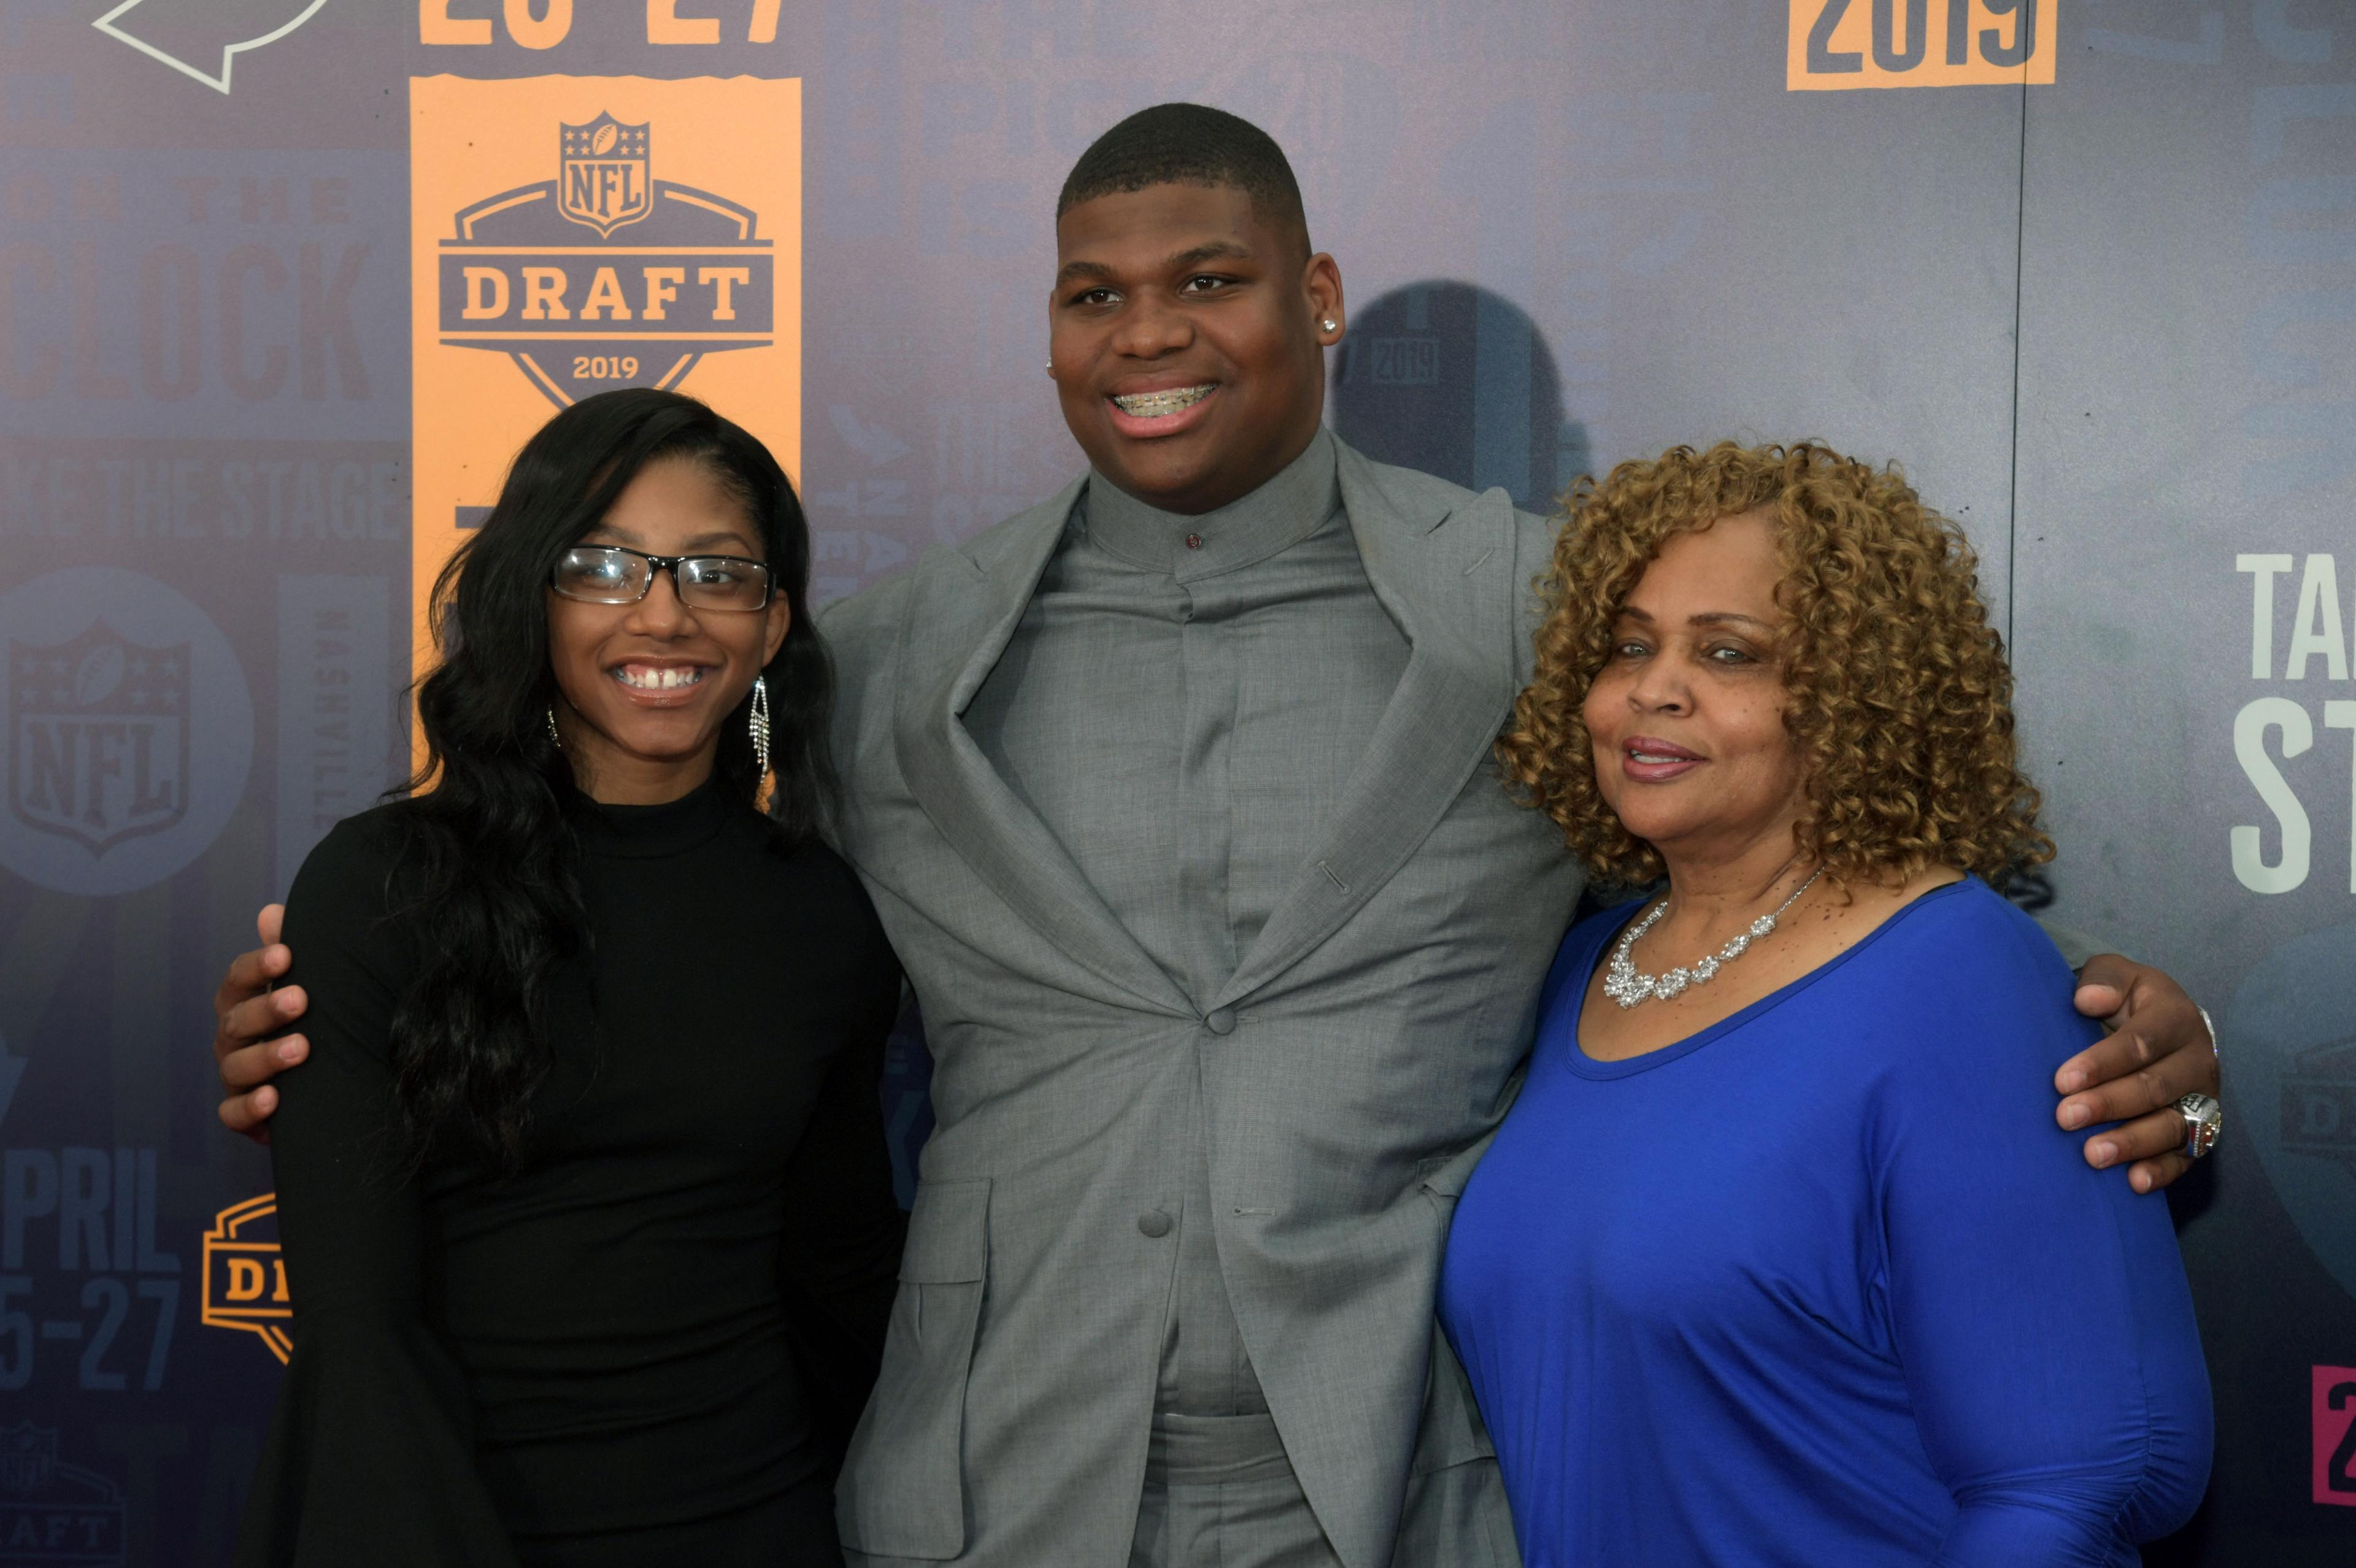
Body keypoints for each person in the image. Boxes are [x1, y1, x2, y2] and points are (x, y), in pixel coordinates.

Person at [210, 107, 2223, 1568]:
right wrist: (356, 992)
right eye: (1096, 293)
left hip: (1401, 1491)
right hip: (984, 1485)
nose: (1147, 335)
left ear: (1318, 296)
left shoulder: (1555, 621)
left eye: (1206, 283)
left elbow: (1833, 894)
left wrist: (2147, 1039)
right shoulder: (882, 663)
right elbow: (645, 921)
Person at [1440, 442, 2213, 1565]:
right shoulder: (1582, 967)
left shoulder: (1964, 978)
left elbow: (2068, 1488)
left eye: (1729, 653)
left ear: (1853, 697)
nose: (1656, 686)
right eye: (1630, 645)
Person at [231, 390, 906, 1568]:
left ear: (774, 621)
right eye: (604, 567)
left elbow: (837, 1276)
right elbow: (359, 1334)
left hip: (758, 1526)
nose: (666, 616)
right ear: (532, 598)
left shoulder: (823, 913)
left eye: (718, 572)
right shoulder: (382, 886)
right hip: (444, 1525)